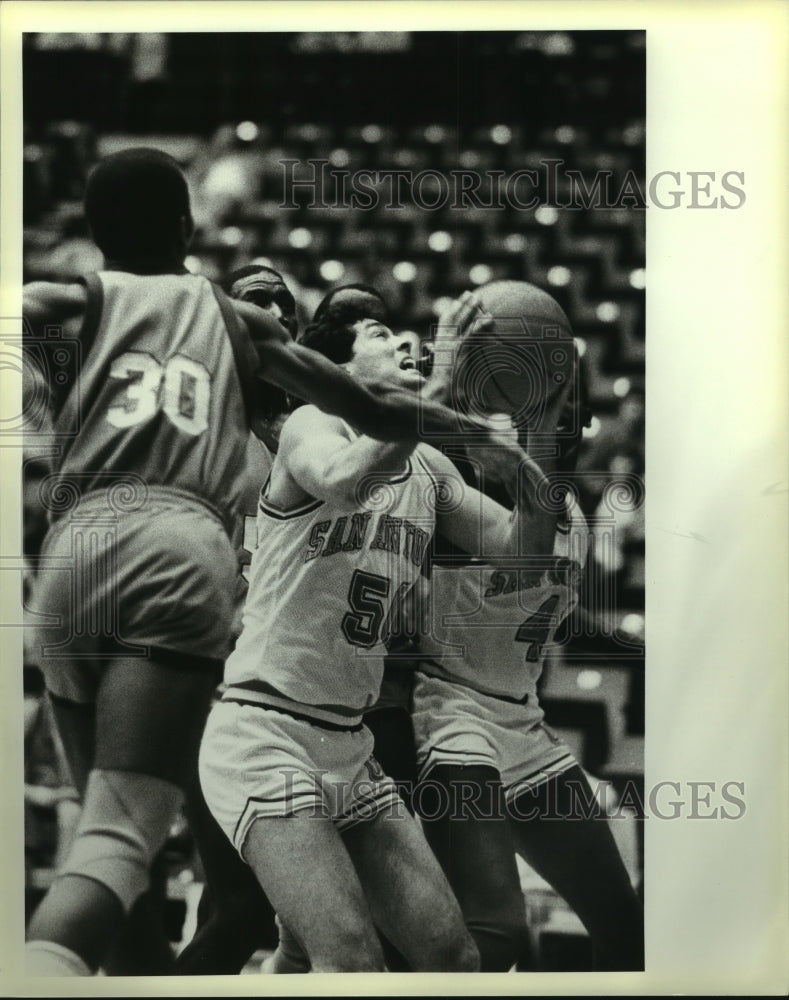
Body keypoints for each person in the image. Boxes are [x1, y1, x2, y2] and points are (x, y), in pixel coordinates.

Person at [21, 147, 507, 977]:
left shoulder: (108, 330)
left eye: (278, 308)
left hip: (287, 688)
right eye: (255, 309)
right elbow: (358, 448)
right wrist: (457, 410)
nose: (265, 319)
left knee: (151, 873)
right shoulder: (287, 427)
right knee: (166, 870)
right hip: (226, 673)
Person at [197, 296, 553, 973]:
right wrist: (439, 390)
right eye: (380, 333)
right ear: (333, 365)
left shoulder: (430, 470)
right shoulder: (312, 422)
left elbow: (523, 557)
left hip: (350, 749)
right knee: (350, 960)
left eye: (409, 335)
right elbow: (348, 478)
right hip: (265, 733)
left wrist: (538, 441)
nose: (405, 343)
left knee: (452, 959)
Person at [409, 284, 645, 972]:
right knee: (496, 934)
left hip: (521, 722)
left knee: (627, 935)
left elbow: (541, 587)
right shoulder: (456, 480)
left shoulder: (566, 511)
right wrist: (458, 372)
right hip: (451, 716)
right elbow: (524, 559)